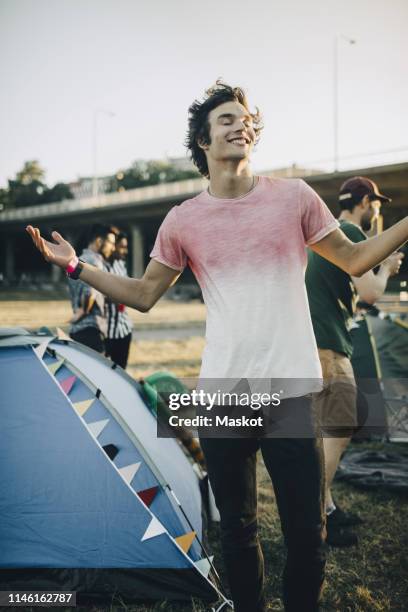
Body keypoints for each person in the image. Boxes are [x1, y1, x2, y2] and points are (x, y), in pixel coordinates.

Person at [26, 82, 408, 612]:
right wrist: (74, 265)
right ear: (203, 141)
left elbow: (358, 258)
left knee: (306, 533)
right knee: (238, 531)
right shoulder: (183, 219)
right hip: (223, 392)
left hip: (290, 390)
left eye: (246, 118)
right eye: (226, 118)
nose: (241, 124)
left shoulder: (294, 197)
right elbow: (142, 294)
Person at [305, 177, 403, 547]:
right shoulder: (347, 231)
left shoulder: (329, 231)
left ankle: (326, 508)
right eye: (376, 204)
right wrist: (386, 268)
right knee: (342, 425)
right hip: (327, 342)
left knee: (321, 434)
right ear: (365, 201)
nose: (377, 211)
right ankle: (314, 518)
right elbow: (371, 294)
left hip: (313, 340)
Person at [68, 224, 116, 353]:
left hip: (77, 330)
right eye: (111, 243)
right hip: (91, 329)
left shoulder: (77, 261)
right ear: (99, 241)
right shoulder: (95, 263)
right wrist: (84, 310)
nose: (113, 248)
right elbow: (90, 292)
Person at [104, 231, 134, 369]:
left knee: (121, 372)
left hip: (123, 329)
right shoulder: (101, 265)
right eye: (122, 246)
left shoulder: (121, 264)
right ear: (112, 245)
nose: (125, 250)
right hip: (106, 333)